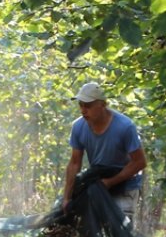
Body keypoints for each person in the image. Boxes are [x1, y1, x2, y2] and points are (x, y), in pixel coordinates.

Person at [61, 82, 147, 222]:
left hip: (125, 187)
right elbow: (75, 163)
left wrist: (110, 182)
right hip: (99, 184)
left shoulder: (124, 127)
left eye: (88, 106)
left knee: (120, 228)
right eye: (81, 105)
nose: (83, 110)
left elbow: (140, 162)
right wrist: (67, 197)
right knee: (92, 228)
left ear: (102, 105)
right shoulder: (78, 127)